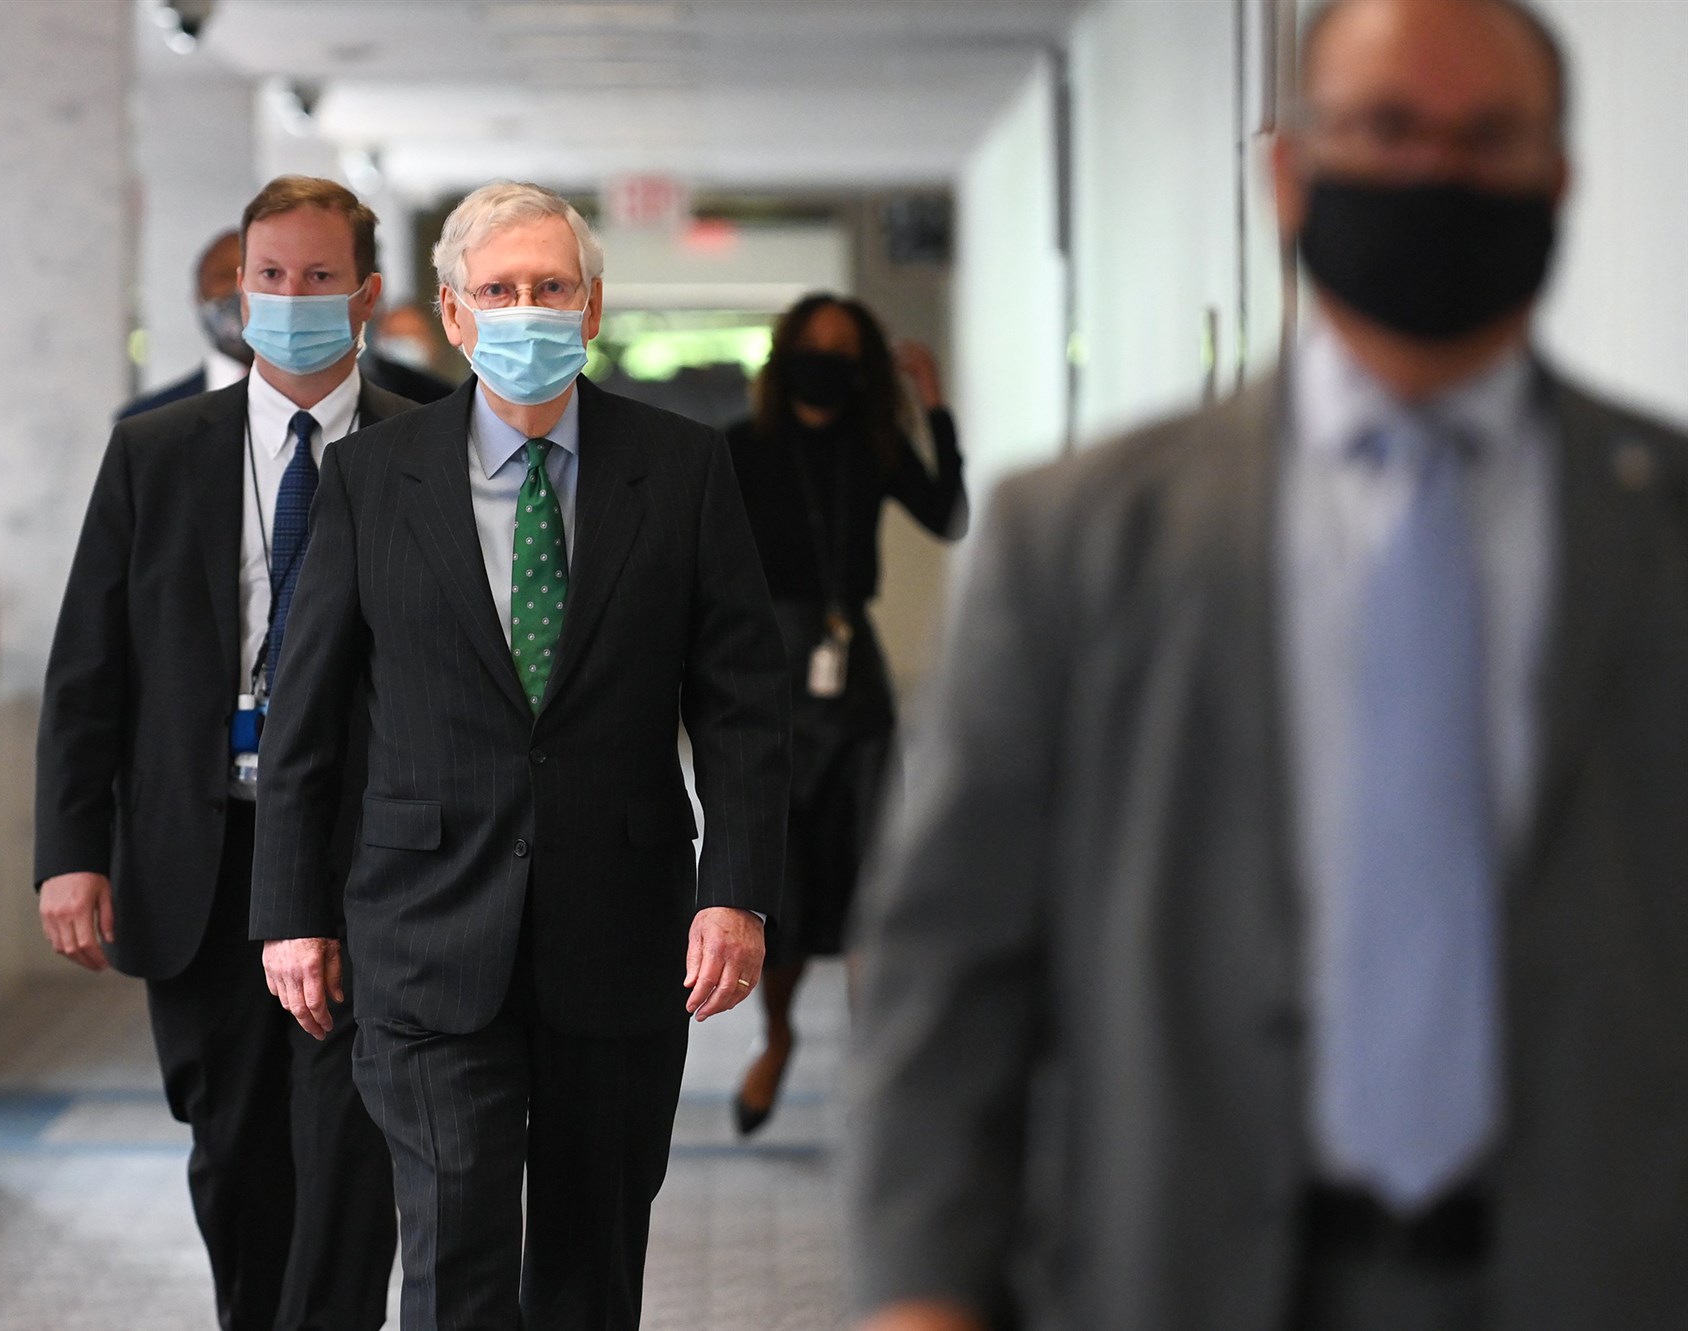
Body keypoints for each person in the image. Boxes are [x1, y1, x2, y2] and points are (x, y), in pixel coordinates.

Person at [846, 3, 1688, 1330]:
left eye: (1490, 137)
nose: (1436, 174)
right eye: (1388, 129)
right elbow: (951, 952)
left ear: (1560, 175)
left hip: (1605, 1268)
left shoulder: (1662, 525)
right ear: (1288, 169)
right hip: (1176, 1265)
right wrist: (921, 1284)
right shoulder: (1080, 534)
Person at [251, 180, 790, 1331]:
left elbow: (743, 703)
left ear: (591, 307)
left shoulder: (682, 470)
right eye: (499, 290)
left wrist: (735, 891)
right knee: (455, 1247)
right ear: (453, 315)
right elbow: (306, 718)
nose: (526, 310)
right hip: (424, 929)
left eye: (550, 287)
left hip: (620, 924)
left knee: (593, 1263)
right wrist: (290, 909)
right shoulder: (369, 478)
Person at [35, 175, 409, 1331]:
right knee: (235, 1151)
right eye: (269, 276)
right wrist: (70, 850)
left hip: (372, 858)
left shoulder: (429, 447)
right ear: (239, 289)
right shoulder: (153, 451)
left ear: (366, 295)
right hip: (199, 852)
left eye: (317, 277)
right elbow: (87, 665)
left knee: (352, 1151)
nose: (289, 297)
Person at [723, 294, 964, 1135]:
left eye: (843, 349)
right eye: (815, 346)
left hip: (852, 669)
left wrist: (932, 407)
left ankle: (876, 1076)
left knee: (868, 869)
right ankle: (776, 1036)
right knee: (784, 877)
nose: (828, 361)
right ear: (787, 354)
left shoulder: (874, 445)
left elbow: (949, 514)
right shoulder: (739, 448)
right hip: (769, 671)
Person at [119, 228, 251, 420]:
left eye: (258, 277)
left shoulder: (308, 408)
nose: (241, 291)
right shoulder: (144, 421)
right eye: (225, 276)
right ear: (198, 296)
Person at [360, 302, 456, 404]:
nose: (407, 344)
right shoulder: (371, 387)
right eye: (396, 337)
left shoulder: (444, 397)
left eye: (418, 334)